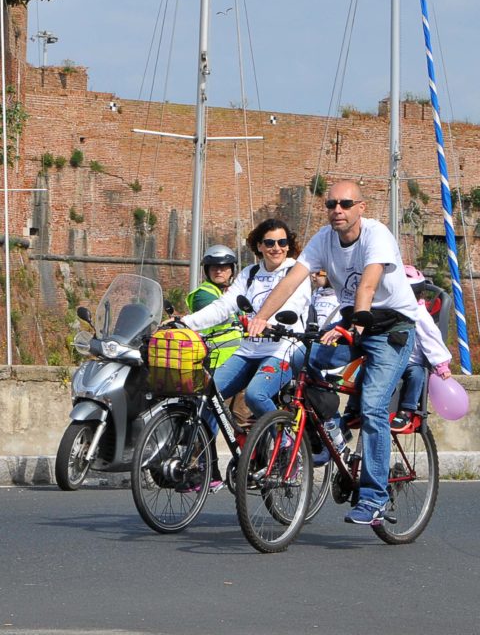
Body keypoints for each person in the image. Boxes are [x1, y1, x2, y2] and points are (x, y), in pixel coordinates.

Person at [246, 180, 417, 525]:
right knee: (300, 360)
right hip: (350, 322)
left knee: (373, 407)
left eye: (345, 204)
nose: (337, 210)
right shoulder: (324, 239)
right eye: (331, 204)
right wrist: (261, 317)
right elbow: (292, 279)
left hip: (391, 328)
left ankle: (374, 498)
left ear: (361, 208)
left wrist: (355, 326)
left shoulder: (377, 235)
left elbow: (367, 284)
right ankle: (330, 430)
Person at [180, 220, 312, 491]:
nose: (277, 248)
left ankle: (286, 443)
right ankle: (205, 466)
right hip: (249, 349)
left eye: (283, 242)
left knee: (255, 395)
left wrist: (267, 321)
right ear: (259, 246)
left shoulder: (296, 272)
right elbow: (223, 306)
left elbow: (295, 304)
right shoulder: (250, 274)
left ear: (289, 245)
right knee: (207, 395)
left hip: (283, 349)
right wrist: (185, 323)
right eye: (270, 243)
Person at [392, 264, 451, 433]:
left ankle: (406, 411)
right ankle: (354, 407)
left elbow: (431, 338)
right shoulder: (389, 308)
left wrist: (441, 365)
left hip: (411, 361)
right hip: (391, 359)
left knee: (417, 376)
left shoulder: (419, 313)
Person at [185, 244, 242, 369]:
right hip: (214, 359)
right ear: (207, 270)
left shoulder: (231, 292)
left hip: (237, 358)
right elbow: (221, 313)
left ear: (232, 270)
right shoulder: (203, 294)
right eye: (214, 267)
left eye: (223, 267)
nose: (218, 271)